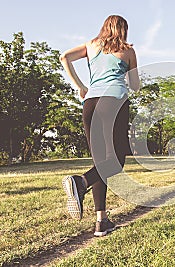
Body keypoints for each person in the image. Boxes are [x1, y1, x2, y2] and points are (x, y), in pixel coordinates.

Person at [59, 15, 140, 237]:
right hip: (113, 101)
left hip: (90, 103)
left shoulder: (91, 45)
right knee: (117, 159)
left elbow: (64, 57)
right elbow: (135, 86)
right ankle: (80, 181)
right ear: (123, 30)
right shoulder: (128, 51)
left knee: (101, 162)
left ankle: (101, 221)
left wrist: (81, 86)